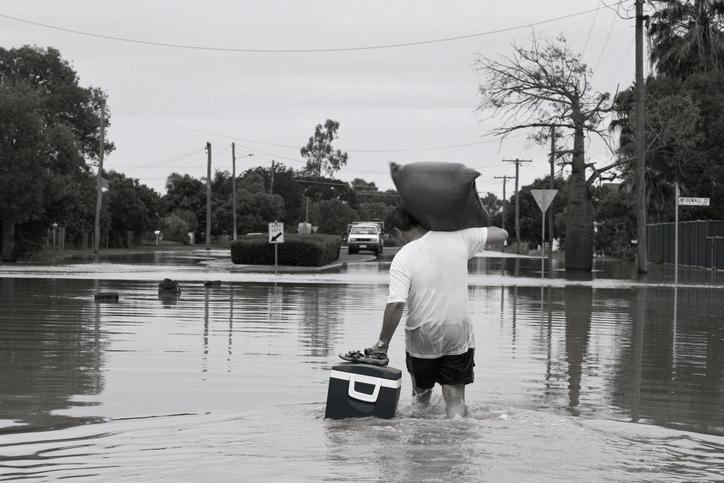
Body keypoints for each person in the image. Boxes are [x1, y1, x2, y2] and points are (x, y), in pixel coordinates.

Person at [365, 207, 508, 417]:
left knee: (421, 399)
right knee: (455, 397)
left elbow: (396, 304)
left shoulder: (403, 257)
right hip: (458, 332)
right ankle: (456, 434)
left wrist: (382, 345)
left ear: (397, 231)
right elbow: (502, 234)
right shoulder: (458, 237)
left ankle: (424, 443)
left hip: (422, 334)